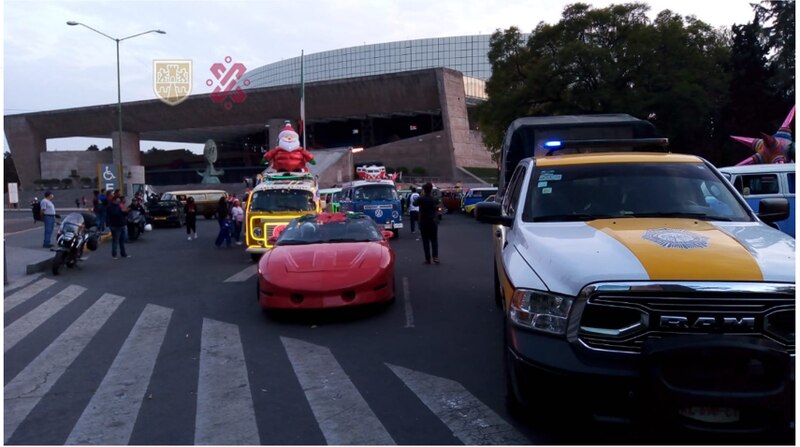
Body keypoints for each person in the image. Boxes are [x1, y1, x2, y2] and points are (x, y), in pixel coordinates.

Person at [418, 182, 440, 264]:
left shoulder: (421, 199)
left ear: (424, 190)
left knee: (425, 241)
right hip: (433, 221)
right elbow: (438, 203)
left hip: (424, 222)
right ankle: (435, 257)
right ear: (431, 190)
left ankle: (428, 258)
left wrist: (422, 195)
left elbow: (414, 203)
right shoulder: (434, 199)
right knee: (434, 240)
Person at [106, 195, 130, 259]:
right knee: (115, 241)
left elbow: (122, 214)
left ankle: (123, 254)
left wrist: (126, 212)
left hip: (121, 224)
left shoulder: (118, 206)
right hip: (115, 226)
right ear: (114, 200)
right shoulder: (110, 206)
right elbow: (114, 214)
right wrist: (122, 211)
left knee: (122, 241)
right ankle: (114, 255)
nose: (119, 201)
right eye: (118, 200)